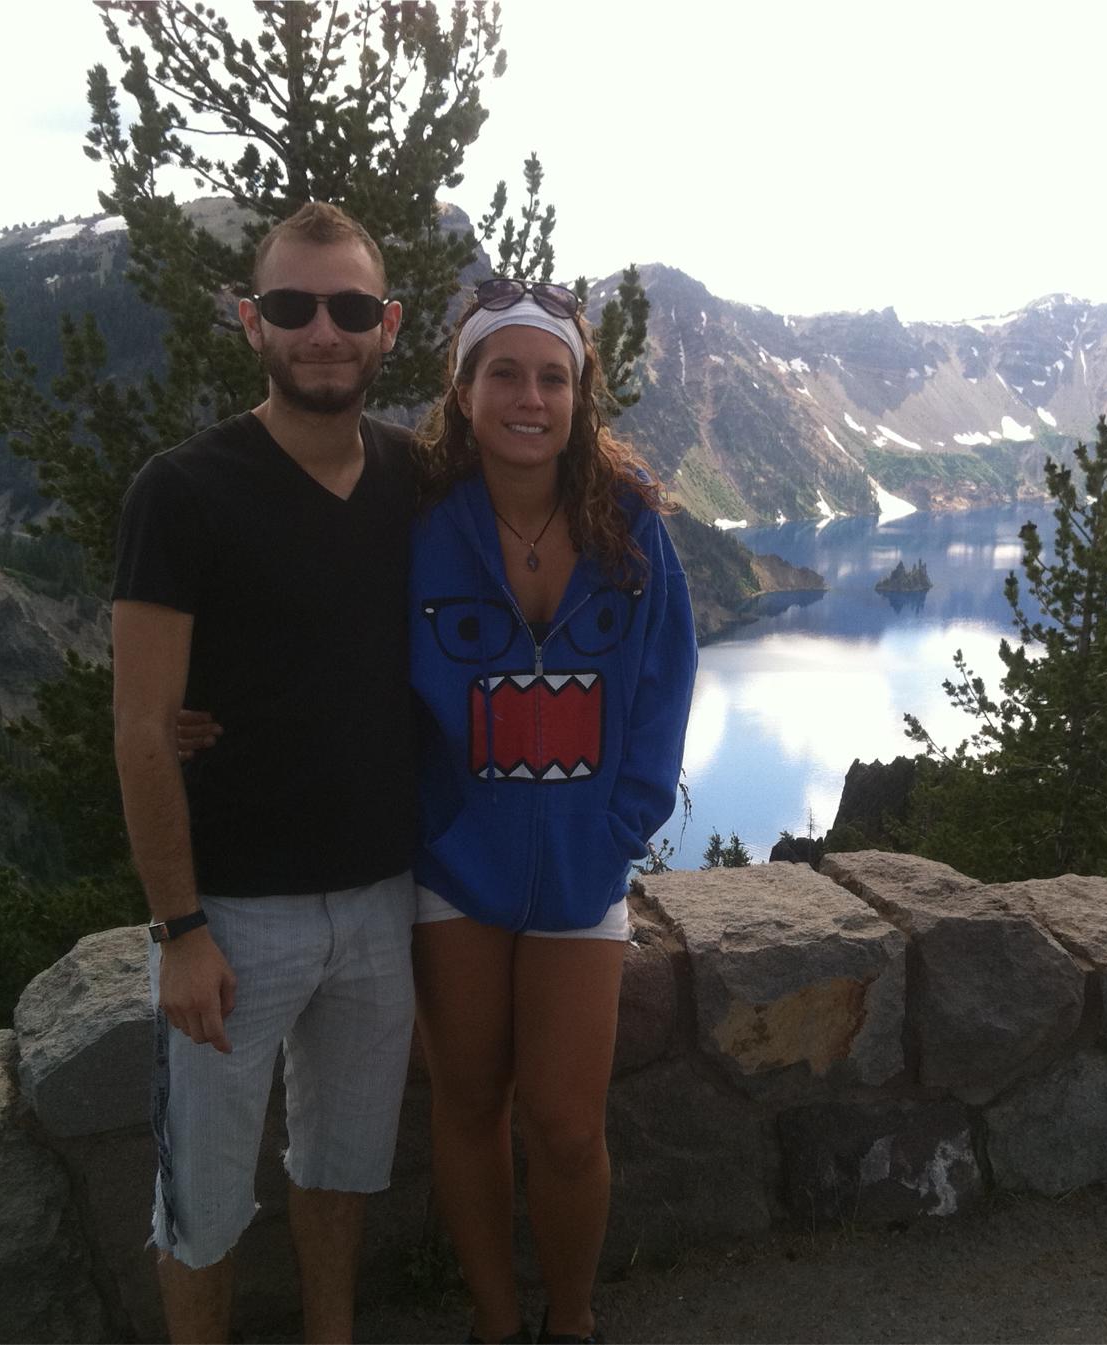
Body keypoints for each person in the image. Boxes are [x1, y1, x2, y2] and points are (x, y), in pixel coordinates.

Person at [111, 201, 418, 1345]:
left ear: (387, 325)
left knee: (339, 1173)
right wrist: (179, 926)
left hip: (385, 899)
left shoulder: (412, 475)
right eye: (293, 307)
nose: (321, 331)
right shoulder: (182, 492)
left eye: (347, 308)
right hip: (235, 916)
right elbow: (143, 727)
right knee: (202, 1198)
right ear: (253, 322)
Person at [408, 278, 696, 1343]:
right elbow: (353, 671)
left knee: (569, 1125)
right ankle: (494, 1321)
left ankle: (569, 1322)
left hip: (583, 868)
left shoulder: (632, 529)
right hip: (456, 865)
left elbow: (664, 685)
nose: (529, 397)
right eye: (504, 373)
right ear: (465, 388)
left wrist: (623, 823)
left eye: (552, 377)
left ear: (579, 397)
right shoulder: (421, 529)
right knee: (470, 1106)